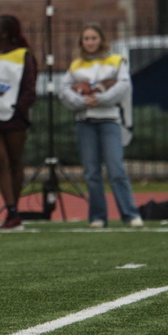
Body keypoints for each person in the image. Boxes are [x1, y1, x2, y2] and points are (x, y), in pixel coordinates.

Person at [58, 23, 143, 228]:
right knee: (91, 173)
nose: (90, 42)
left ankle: (130, 214)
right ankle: (98, 217)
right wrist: (81, 101)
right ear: (82, 42)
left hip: (109, 120)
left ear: (101, 40)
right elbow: (64, 89)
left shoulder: (115, 61)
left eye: (93, 38)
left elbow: (124, 85)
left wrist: (101, 98)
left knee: (116, 169)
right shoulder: (76, 65)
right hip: (85, 122)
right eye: (86, 38)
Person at [0, 15, 37, 229]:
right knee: (0, 162)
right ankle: (11, 210)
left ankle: (15, 208)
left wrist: (16, 110)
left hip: (13, 119)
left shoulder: (24, 56)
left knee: (14, 162)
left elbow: (30, 89)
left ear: (4, 32)